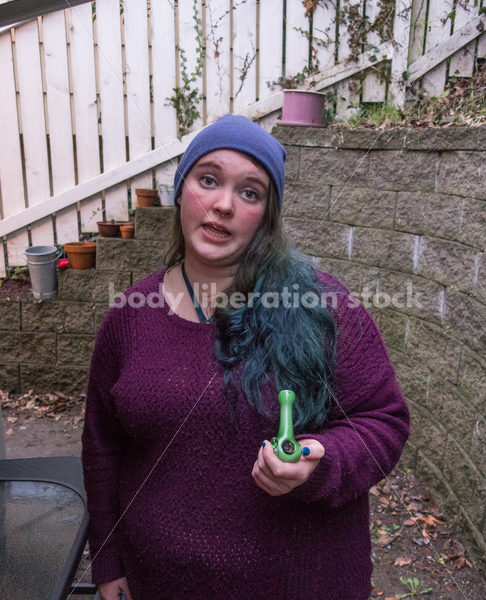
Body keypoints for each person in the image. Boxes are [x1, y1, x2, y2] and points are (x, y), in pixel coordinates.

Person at [81, 114, 410, 600]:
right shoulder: (129, 317)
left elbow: (384, 421)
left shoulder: (322, 308)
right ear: (181, 188)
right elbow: (102, 448)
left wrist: (321, 461)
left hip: (300, 585)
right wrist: (107, 559)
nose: (223, 204)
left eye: (250, 192)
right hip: (161, 585)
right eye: (208, 179)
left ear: (267, 215)